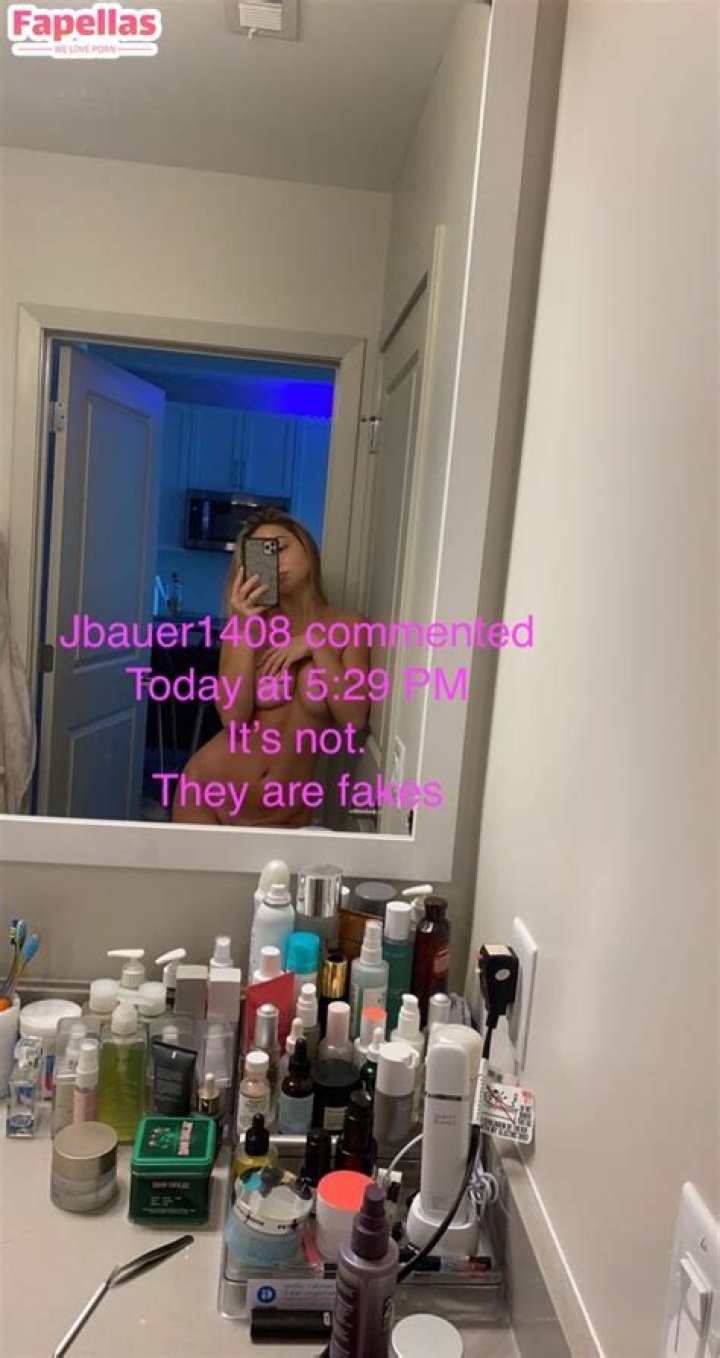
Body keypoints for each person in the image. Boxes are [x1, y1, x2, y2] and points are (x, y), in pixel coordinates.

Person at [172, 508, 370, 827]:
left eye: (281, 547)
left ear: (307, 548)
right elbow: (233, 717)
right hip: (207, 794)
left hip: (287, 813)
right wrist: (245, 628)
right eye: (262, 555)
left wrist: (316, 643)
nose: (275, 561)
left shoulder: (349, 626)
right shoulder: (247, 628)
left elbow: (354, 718)